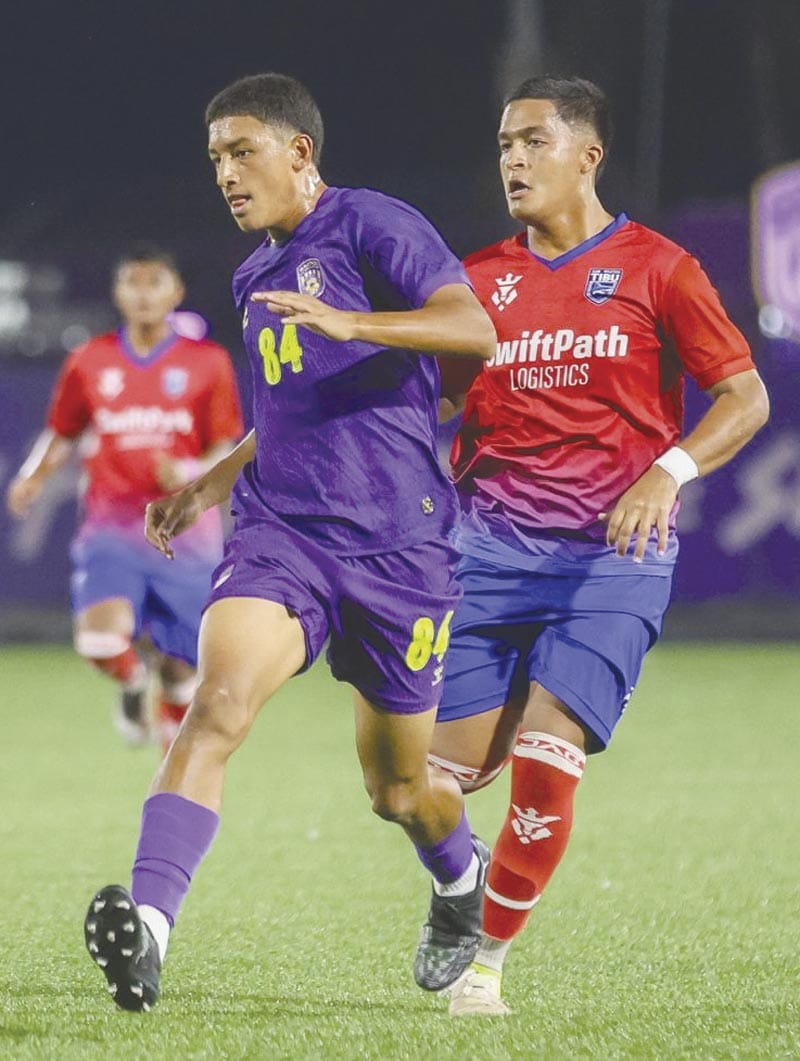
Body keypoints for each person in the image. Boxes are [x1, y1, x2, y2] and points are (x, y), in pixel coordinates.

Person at [82, 72, 497, 1012]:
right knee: (217, 704)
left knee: (398, 791)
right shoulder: (252, 274)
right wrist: (212, 480)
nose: (226, 174)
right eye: (215, 160)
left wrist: (355, 321)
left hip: (400, 549)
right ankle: (146, 932)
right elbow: (290, 410)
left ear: (299, 151)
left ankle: (458, 880)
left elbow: (477, 330)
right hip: (282, 536)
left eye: (242, 151)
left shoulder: (369, 225)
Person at [429, 76, 770, 1016]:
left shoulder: (660, 268)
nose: (512, 159)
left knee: (547, 755)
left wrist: (669, 472)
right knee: (424, 787)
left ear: (589, 153)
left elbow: (747, 399)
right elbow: (439, 403)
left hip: (610, 560)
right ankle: (457, 887)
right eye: (503, 143)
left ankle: (486, 965)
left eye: (533, 140)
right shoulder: (477, 279)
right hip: (486, 552)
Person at [7, 246, 243, 753]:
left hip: (185, 535)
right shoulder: (90, 360)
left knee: (184, 669)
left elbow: (225, 448)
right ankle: (135, 682)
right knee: (100, 641)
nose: (142, 293)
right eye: (132, 283)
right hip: (111, 528)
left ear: (175, 292)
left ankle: (172, 759)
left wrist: (185, 471)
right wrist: (32, 476)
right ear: (118, 293)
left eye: (154, 282)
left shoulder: (209, 362)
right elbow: (62, 432)